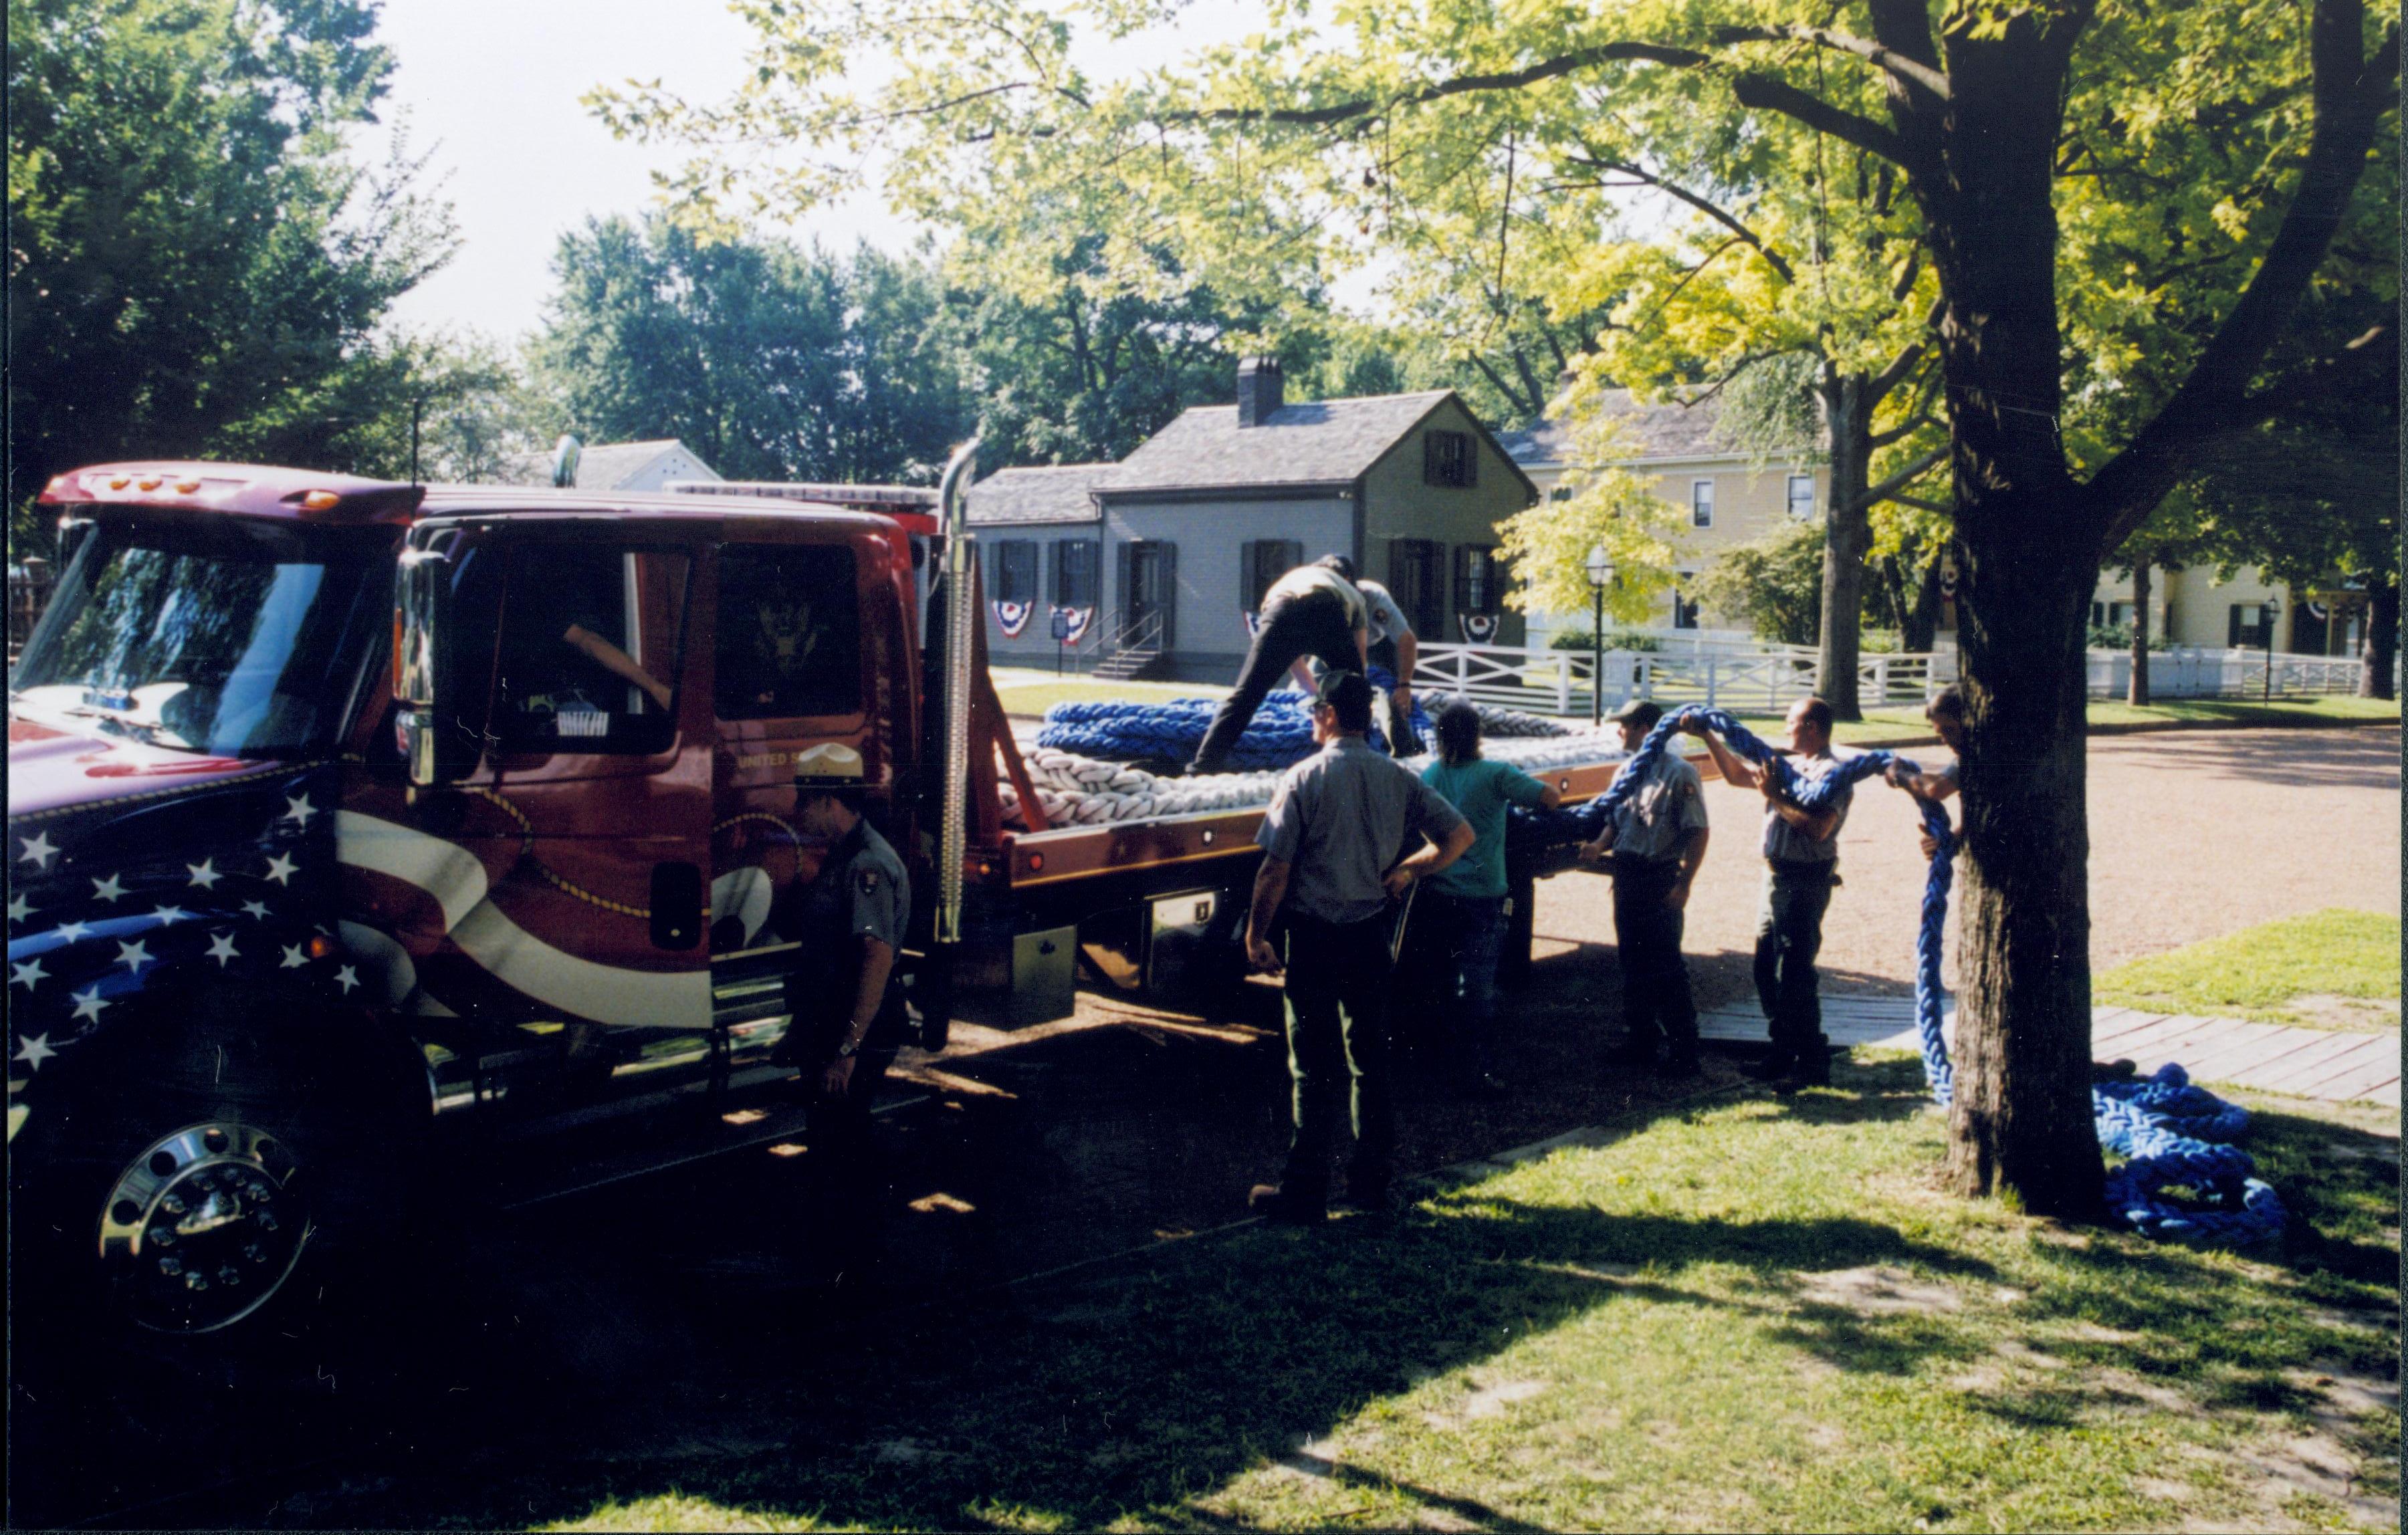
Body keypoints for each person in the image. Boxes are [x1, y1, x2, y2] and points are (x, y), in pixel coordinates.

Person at [1244, 671, 1476, 1223]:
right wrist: (1407, 872)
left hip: (1316, 935)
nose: (1310, 722)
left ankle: (1303, 1191)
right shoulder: (1396, 776)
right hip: (1369, 933)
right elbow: (1459, 836)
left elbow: (1274, 870)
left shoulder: (1304, 777)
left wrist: (1255, 935)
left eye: (1312, 714)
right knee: (1370, 1061)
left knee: (1312, 1066)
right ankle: (1370, 1186)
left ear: (1326, 715)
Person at [774, 743, 912, 1291]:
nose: (796, 813)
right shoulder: (845, 853)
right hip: (835, 1024)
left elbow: (874, 959)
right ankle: (845, 1257)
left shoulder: (866, 864)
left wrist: (847, 1050)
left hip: (859, 1028)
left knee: (842, 1141)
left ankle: (853, 1266)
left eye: (803, 802)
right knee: (834, 1136)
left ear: (830, 800)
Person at [1692, 697, 1853, 1090]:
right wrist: (1709, 737)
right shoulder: (1786, 765)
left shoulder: (1834, 775)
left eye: (1791, 722)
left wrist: (1777, 798)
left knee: (1795, 971)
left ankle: (1812, 1059)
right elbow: (1734, 775)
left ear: (1813, 727)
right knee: (1766, 967)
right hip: (1776, 879)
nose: (1785, 729)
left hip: (1805, 882)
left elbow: (1818, 830)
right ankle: (1783, 1050)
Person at [1418, 701, 1560, 1096]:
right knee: (1478, 987)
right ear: (1478, 736)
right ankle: (1476, 1071)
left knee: (1441, 983)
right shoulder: (1496, 775)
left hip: (1439, 893)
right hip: (1483, 896)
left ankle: (1438, 1069)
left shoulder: (1431, 775)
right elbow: (1548, 798)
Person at [1577, 699, 1710, 1077]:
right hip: (1628, 878)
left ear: (1646, 729)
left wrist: (1685, 884)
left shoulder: (1680, 774)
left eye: (1626, 724)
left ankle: (1685, 1051)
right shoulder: (1626, 772)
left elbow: (1698, 831)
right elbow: (1616, 820)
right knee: (1633, 963)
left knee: (1666, 966)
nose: (1619, 731)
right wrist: (1599, 845)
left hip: (1659, 878)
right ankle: (1642, 1042)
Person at [1189, 554, 1370, 775]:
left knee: (1246, 695)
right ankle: (1363, 760)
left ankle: (1203, 766)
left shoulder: (1292, 577)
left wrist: (1314, 695)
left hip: (1280, 608)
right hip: (1327, 610)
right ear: (1348, 578)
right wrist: (1350, 692)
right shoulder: (1352, 592)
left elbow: (1293, 660)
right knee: (1354, 693)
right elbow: (1360, 658)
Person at [1888, 685, 1966, 857]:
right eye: (1941, 734)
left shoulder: (1978, 756)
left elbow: (1936, 788)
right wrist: (1948, 842)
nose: (1946, 741)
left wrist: (1898, 775)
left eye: (1950, 730)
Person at [1352, 572, 1422, 755]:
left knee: (1394, 699)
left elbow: (1407, 639)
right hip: (1345, 645)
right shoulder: (1321, 599)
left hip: (1379, 643)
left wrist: (1404, 684)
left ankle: (1404, 749)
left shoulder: (1374, 598)